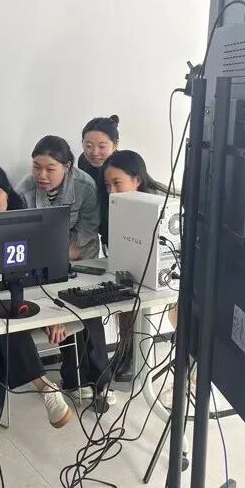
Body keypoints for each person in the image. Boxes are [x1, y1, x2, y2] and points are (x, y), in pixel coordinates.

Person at [0, 162, 72, 465]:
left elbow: (48, 278)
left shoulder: (32, 226)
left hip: (28, 309)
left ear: (8, 194)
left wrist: (54, 317)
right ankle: (42, 384)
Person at [16, 136, 116, 410]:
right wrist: (48, 257)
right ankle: (74, 379)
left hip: (81, 257)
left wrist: (55, 253)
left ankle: (101, 382)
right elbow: (22, 234)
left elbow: (86, 232)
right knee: (59, 310)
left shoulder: (85, 186)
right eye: (37, 167)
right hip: (42, 263)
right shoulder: (24, 189)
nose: (41, 175)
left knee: (89, 312)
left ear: (68, 167)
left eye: (50, 169)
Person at [97, 150, 166, 381]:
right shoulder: (114, 202)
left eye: (117, 183)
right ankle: (126, 349)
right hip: (133, 263)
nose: (112, 191)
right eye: (108, 185)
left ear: (137, 180)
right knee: (124, 291)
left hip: (166, 268)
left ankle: (134, 353)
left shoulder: (161, 201)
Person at [77, 115, 120, 182]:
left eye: (102, 146)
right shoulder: (83, 160)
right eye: (89, 146)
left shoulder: (123, 168)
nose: (95, 153)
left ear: (115, 145)